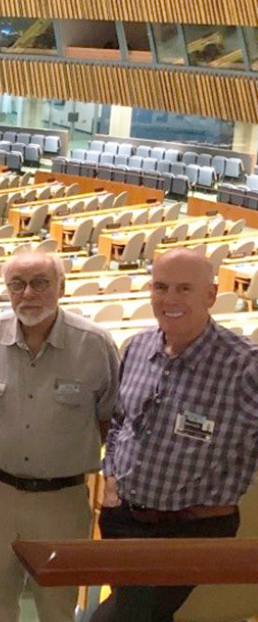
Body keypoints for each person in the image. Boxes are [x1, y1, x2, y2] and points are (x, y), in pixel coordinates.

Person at [92, 248, 258, 622]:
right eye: (161, 287)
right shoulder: (136, 348)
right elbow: (120, 421)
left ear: (211, 296)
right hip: (124, 520)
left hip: (193, 528)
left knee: (120, 617)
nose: (169, 299)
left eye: (184, 289)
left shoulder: (245, 367)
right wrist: (112, 475)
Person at [0, 251, 120, 622]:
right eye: (17, 284)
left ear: (61, 287)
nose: (28, 293)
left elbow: (111, 420)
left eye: (40, 283)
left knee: (57, 605)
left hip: (61, 500)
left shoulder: (94, 344)